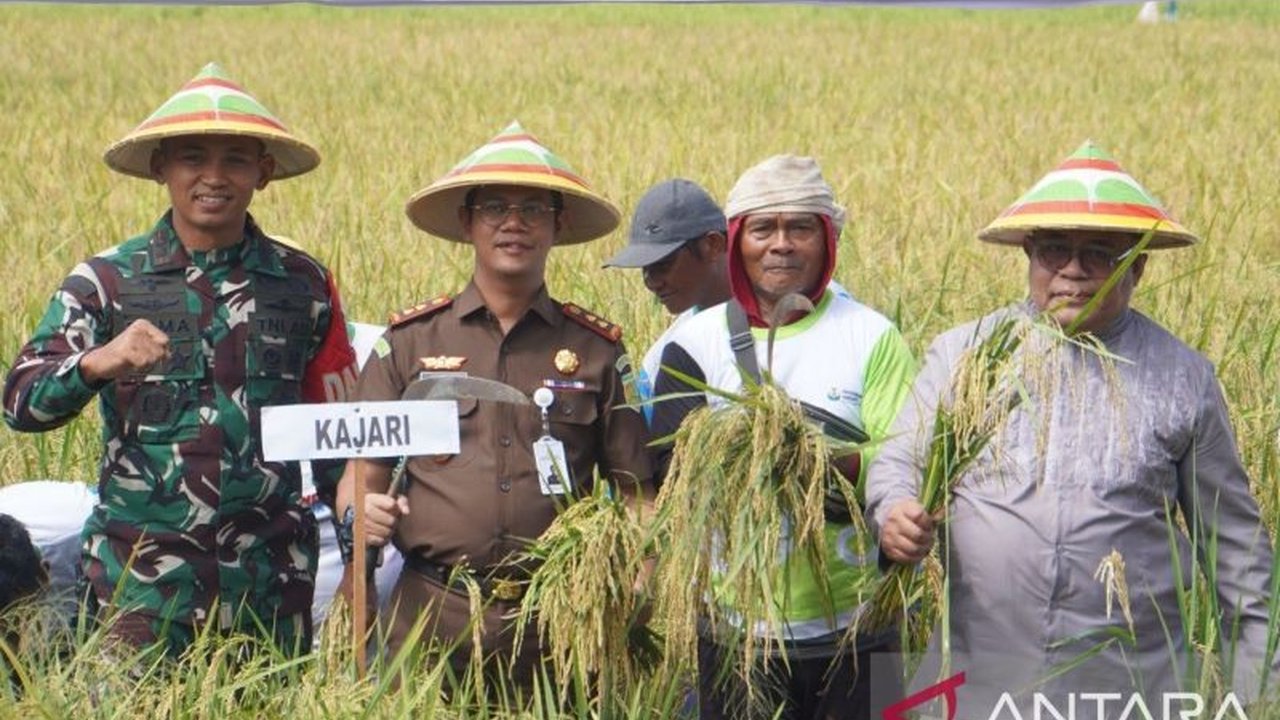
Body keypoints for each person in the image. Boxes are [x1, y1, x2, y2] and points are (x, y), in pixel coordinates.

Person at [867, 141, 1278, 716]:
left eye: (1099, 253)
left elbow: (1236, 553)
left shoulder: (1184, 378)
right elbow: (898, 462)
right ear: (1030, 255)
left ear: (1139, 265)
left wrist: (1257, 693)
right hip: (980, 674)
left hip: (1128, 683)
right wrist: (893, 511)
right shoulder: (965, 355)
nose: (1073, 270)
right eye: (1054, 250)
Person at [2, 62, 358, 657]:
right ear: (162, 167)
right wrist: (97, 363)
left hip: (268, 594)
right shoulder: (106, 281)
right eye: (193, 157)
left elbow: (338, 437)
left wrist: (356, 563)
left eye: (236, 160)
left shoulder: (306, 286)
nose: (213, 177)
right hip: (139, 591)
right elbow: (20, 401)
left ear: (264, 173)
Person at [333, 121, 653, 686]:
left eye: (533, 209)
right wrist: (362, 513)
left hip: (559, 619)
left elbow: (634, 494)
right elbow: (363, 474)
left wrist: (637, 581)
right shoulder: (409, 343)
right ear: (467, 222)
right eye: (495, 208)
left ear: (559, 225)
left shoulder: (596, 350)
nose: (514, 223)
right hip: (429, 617)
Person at [650, 154, 916, 720]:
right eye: (763, 229)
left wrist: (815, 463)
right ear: (737, 242)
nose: (781, 245)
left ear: (827, 241)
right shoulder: (694, 345)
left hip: (858, 626)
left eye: (800, 228)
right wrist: (742, 460)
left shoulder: (872, 336)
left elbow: (903, 456)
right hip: (736, 632)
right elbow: (671, 475)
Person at [603, 178, 731, 414]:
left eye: (663, 264)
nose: (651, 283)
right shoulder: (666, 358)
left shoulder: (792, 314)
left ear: (712, 245)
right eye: (645, 269)